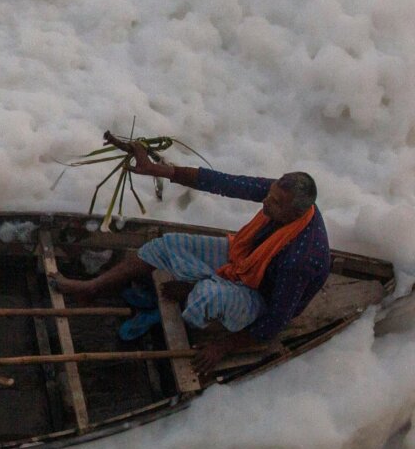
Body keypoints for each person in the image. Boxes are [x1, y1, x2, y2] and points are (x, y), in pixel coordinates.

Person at [53, 142, 329, 373]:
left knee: (206, 295)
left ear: (295, 213)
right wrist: (156, 169)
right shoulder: (280, 196)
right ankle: (93, 287)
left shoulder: (300, 260)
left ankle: (183, 308)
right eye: (269, 196)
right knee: (167, 245)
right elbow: (226, 183)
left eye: (276, 203)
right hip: (245, 259)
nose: (266, 202)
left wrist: (223, 346)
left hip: (263, 298)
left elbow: (275, 321)